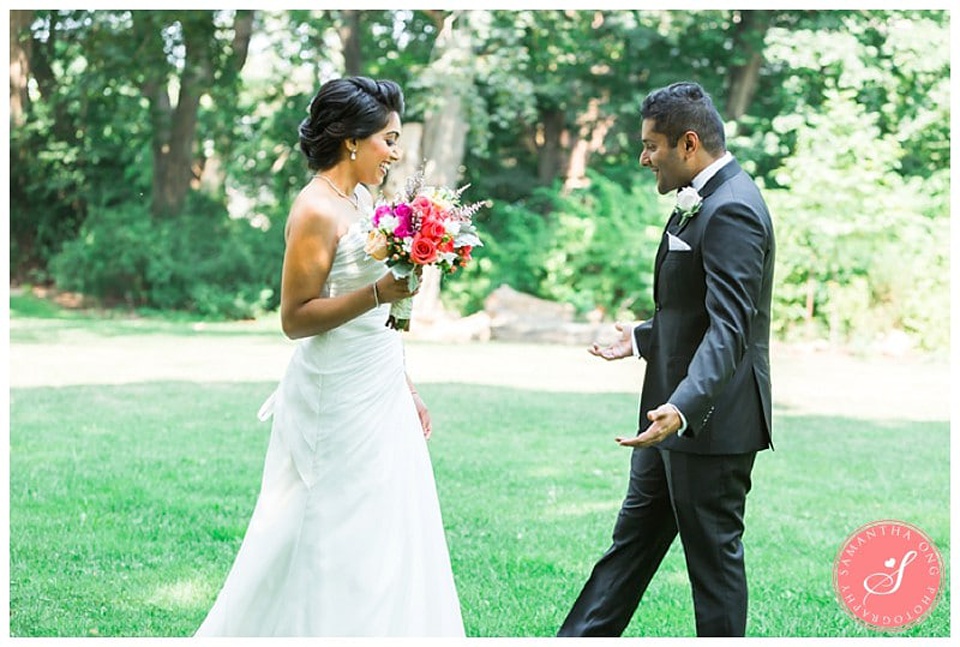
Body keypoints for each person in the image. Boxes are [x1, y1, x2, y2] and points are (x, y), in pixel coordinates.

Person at [195, 76, 464, 637]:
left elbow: (375, 319)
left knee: (385, 522)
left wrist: (407, 388)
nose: (394, 153)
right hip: (332, 395)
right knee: (328, 524)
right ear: (351, 141)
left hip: (379, 384)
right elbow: (294, 318)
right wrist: (379, 292)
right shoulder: (316, 209)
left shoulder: (362, 200)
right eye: (387, 140)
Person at [557, 81, 775, 637]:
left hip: (708, 425)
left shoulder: (733, 208)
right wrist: (640, 337)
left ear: (688, 144)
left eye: (651, 144)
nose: (643, 156)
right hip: (667, 420)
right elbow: (695, 312)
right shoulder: (704, 196)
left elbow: (731, 328)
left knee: (713, 570)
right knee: (627, 550)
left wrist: (680, 408)